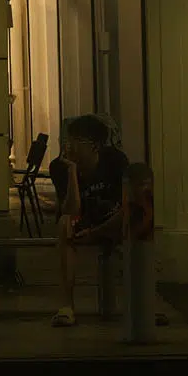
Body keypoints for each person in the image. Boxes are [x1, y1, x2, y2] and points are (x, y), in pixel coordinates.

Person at [46, 113, 130, 328]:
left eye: (76, 142)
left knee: (136, 218)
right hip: (81, 222)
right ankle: (67, 306)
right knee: (65, 223)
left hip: (112, 220)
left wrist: (97, 232)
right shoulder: (59, 167)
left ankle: (144, 303)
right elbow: (71, 209)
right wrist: (72, 172)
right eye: (68, 141)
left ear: (94, 146)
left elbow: (128, 206)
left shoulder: (115, 161)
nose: (69, 147)